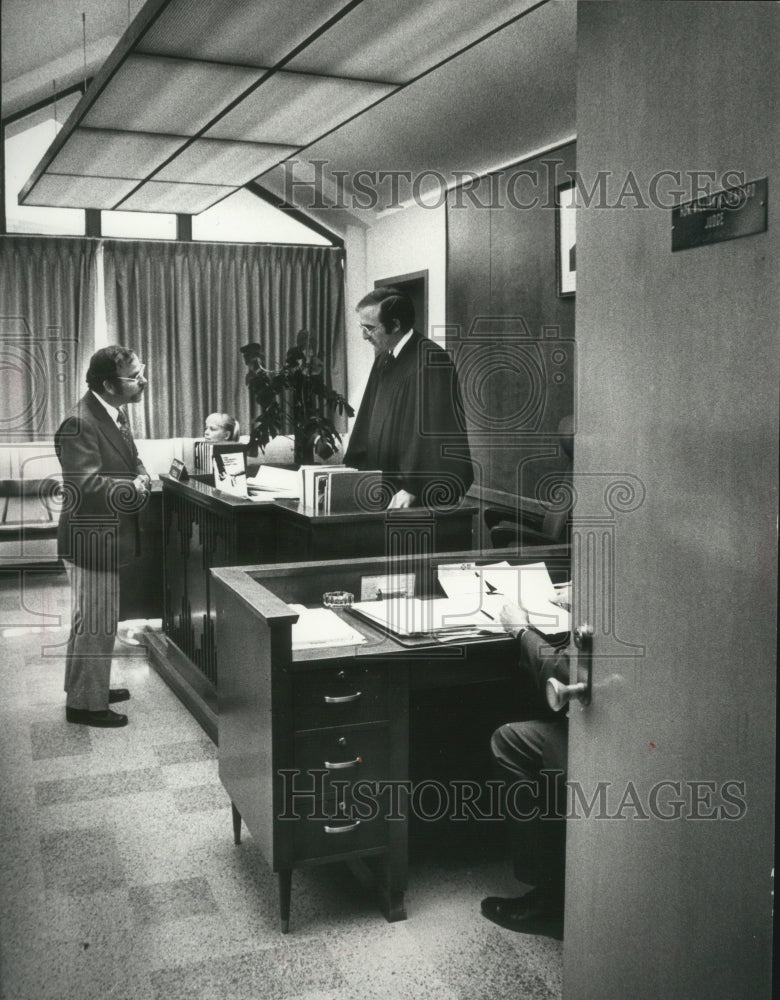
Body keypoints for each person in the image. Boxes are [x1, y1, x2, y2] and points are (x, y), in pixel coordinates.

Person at [54, 346, 151, 728]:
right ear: (109, 384)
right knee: (97, 623)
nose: (143, 381)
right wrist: (135, 488)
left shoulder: (110, 412)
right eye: (135, 376)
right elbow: (86, 486)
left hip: (102, 536)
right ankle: (85, 706)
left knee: (90, 622)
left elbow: (131, 457)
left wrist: (140, 474)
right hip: (91, 539)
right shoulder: (79, 422)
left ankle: (84, 688)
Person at [480, 585, 572, 930]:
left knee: (510, 741)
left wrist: (520, 630)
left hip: (607, 743)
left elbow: (566, 675)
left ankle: (550, 897)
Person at [344, 286, 473, 509]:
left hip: (412, 496)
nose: (364, 336)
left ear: (395, 325)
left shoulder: (431, 361)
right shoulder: (384, 359)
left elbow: (436, 432)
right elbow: (367, 421)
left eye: (369, 328)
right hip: (381, 487)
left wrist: (414, 487)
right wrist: (353, 471)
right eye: (361, 327)